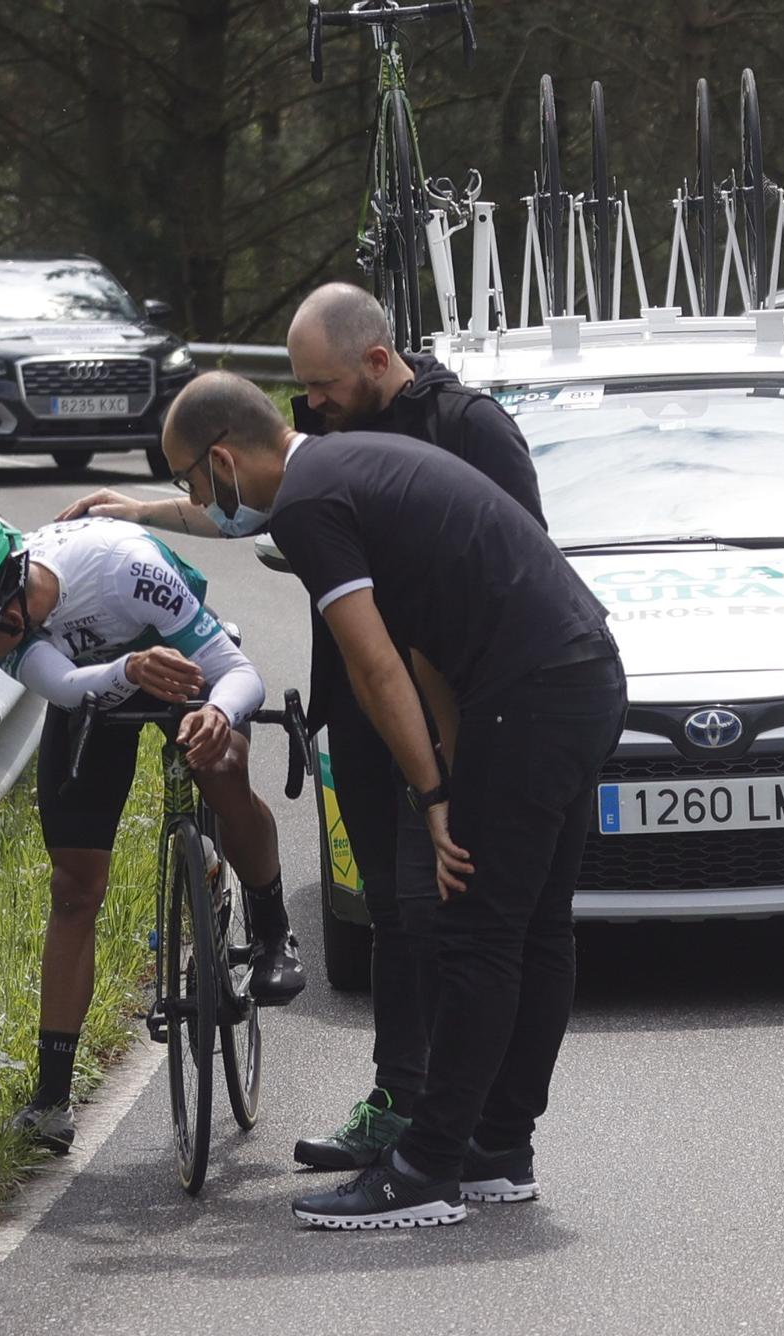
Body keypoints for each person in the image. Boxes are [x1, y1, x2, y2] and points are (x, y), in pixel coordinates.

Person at [57, 283, 546, 1173]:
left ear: (374, 359)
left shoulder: (470, 429)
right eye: (299, 389)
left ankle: (469, 1127)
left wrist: (460, 748)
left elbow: (517, 566)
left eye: (319, 386)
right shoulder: (329, 424)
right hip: (360, 711)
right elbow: (248, 495)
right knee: (395, 914)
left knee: (453, 910)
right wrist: (140, 512)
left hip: (457, 712)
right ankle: (402, 1103)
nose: (308, 406)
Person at [157, 371, 625, 1230]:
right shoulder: (354, 465)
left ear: (222, 461)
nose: (198, 500)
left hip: (525, 694)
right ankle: (496, 1151)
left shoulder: (307, 503)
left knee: (478, 932)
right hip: (585, 673)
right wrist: (445, 776)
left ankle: (425, 1170)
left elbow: (374, 668)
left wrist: (434, 795)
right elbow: (428, 648)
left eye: (191, 482)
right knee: (536, 927)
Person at [0, 513, 305, 1153]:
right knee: (73, 887)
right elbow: (67, 687)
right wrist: (128, 670)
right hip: (101, 690)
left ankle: (271, 931)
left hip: (187, 667)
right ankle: (50, 1101)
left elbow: (242, 675)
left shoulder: (124, 570)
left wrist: (217, 711)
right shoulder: (10, 629)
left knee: (223, 766)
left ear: (4, 613)